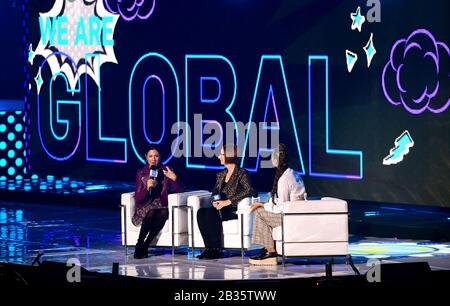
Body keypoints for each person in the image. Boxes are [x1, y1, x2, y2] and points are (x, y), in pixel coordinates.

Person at [196, 144, 257, 259]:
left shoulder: (241, 173)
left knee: (211, 214)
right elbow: (215, 191)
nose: (219, 156)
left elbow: (250, 191)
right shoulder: (221, 175)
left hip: (233, 209)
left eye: (221, 154)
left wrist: (228, 201)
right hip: (220, 207)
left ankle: (217, 249)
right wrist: (214, 200)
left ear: (229, 156)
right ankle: (209, 248)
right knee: (201, 212)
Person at [249, 144, 306, 265]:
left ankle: (270, 251)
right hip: (294, 213)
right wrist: (264, 204)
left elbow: (281, 207)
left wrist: (262, 205)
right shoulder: (293, 173)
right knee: (261, 209)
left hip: (290, 217)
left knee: (259, 213)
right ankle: (267, 247)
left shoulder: (285, 179)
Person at [132, 146, 183, 259]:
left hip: (161, 206)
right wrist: (147, 188)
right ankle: (139, 243)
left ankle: (145, 245)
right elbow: (138, 199)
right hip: (145, 206)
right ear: (146, 157)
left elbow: (180, 192)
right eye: (150, 156)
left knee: (164, 212)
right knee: (151, 212)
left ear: (160, 157)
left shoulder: (166, 170)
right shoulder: (141, 173)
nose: (153, 159)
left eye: (156, 156)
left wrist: (175, 179)